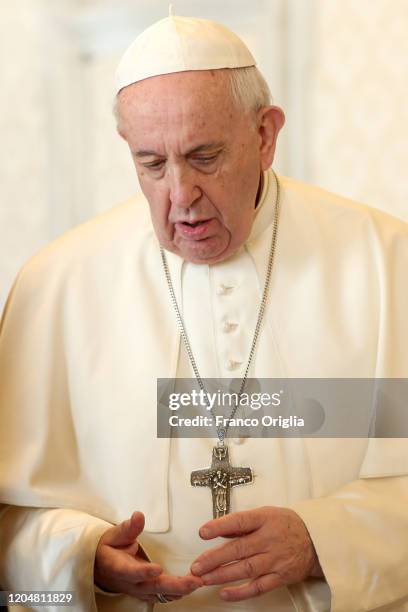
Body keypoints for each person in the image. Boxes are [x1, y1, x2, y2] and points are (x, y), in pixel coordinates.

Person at [0, 12, 407, 612]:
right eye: (152, 164)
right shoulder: (54, 284)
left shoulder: (385, 262)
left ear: (266, 135)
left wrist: (325, 540)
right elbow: (13, 523)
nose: (181, 196)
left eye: (205, 156)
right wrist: (81, 557)